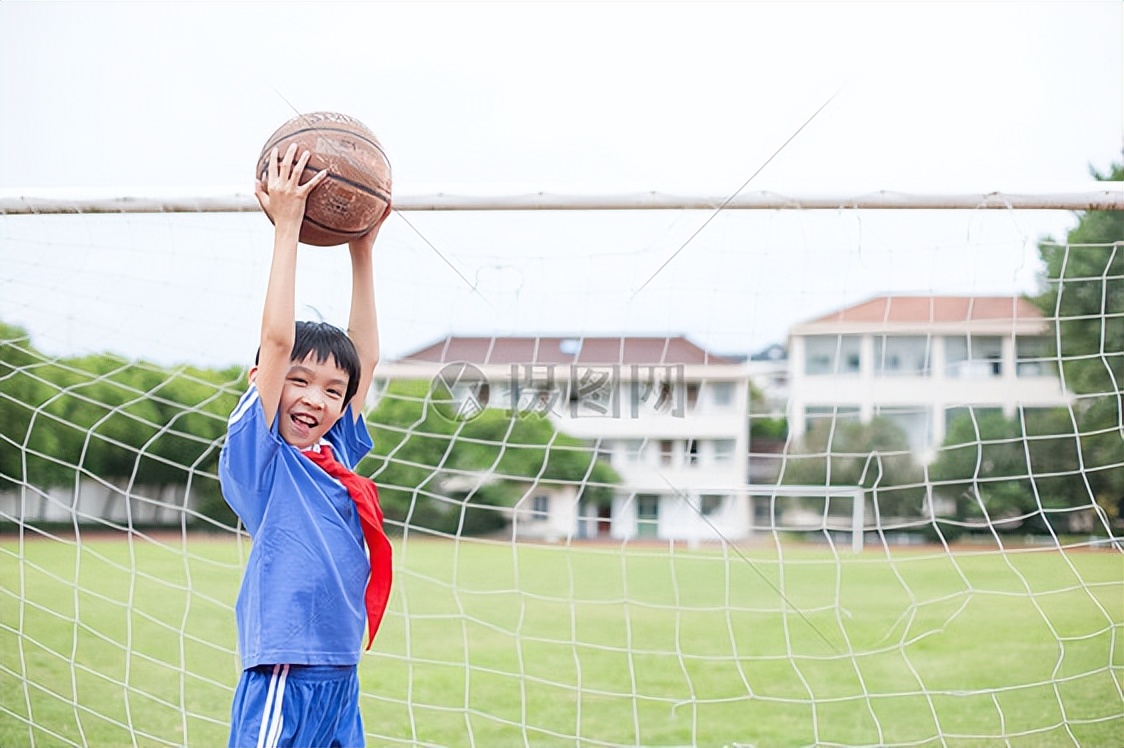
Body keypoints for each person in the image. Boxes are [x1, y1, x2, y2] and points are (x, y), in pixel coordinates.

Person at [219, 143, 393, 748]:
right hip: (283, 670)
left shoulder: (335, 451)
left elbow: (364, 358)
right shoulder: (262, 461)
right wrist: (287, 227)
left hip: (341, 669)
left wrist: (361, 251)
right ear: (265, 382)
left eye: (331, 391)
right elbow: (275, 341)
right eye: (298, 380)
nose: (315, 399)